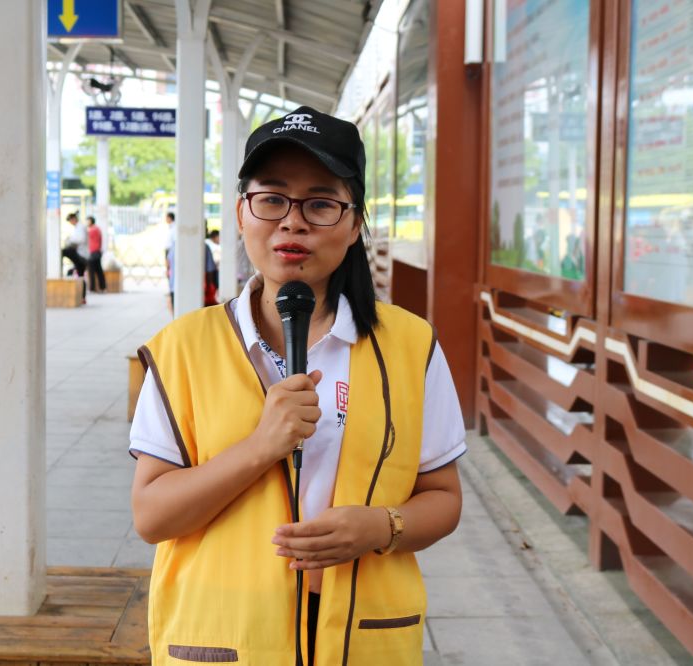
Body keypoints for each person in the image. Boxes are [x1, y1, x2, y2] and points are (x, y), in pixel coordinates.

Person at [129, 106, 465, 665]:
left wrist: (380, 526)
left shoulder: (411, 345)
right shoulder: (182, 348)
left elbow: (444, 498)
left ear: (355, 223)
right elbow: (152, 516)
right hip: (224, 637)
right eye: (272, 198)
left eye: (320, 203)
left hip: (363, 639)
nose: (293, 222)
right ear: (241, 213)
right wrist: (262, 446)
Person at [62, 212, 88, 302]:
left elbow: (80, 239)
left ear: (73, 219)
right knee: (80, 275)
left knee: (64, 251)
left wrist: (70, 240)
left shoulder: (80, 227)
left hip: (81, 255)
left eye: (70, 221)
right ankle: (83, 297)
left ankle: (83, 296)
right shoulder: (78, 227)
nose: (70, 223)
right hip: (81, 255)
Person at [86, 215, 107, 293]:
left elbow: (86, 236)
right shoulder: (97, 229)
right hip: (97, 251)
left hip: (93, 252)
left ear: (91, 221)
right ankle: (102, 287)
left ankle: (92, 288)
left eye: (88, 221)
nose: (87, 223)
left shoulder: (93, 230)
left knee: (92, 271)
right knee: (99, 270)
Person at [164, 211, 176, 313]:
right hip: (171, 254)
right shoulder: (171, 228)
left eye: (166, 217)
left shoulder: (173, 229)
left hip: (171, 254)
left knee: (171, 275)